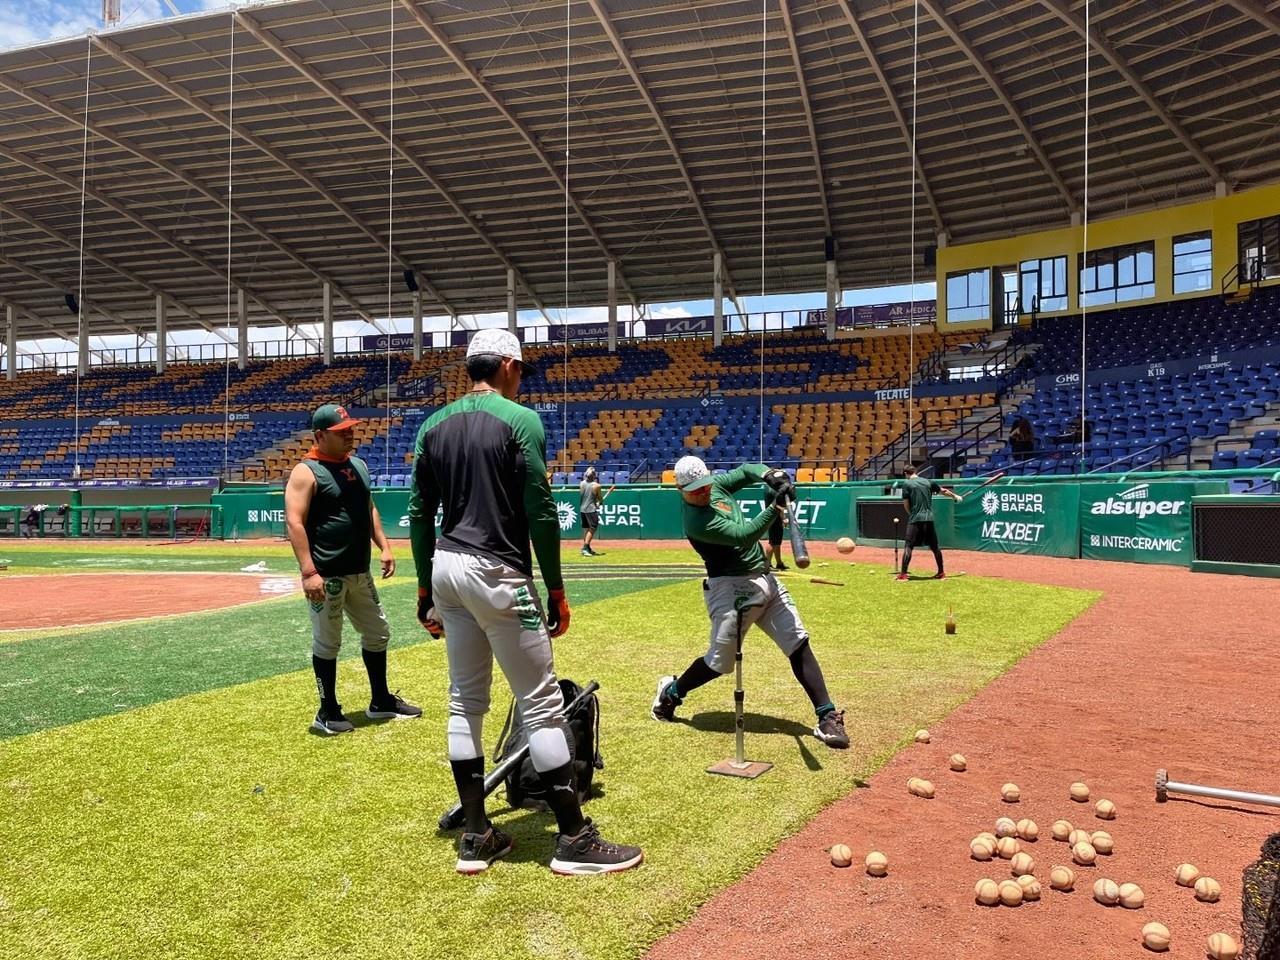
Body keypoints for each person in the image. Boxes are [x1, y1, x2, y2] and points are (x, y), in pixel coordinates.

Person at [410, 328, 641, 877]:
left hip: (446, 567)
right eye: (522, 370)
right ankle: (574, 840)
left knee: (464, 701)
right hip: (499, 570)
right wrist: (556, 587)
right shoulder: (522, 420)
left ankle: (477, 836)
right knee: (540, 704)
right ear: (509, 366)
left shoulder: (431, 425)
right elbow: (539, 509)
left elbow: (420, 514)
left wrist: (425, 590)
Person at [650, 456, 850, 750]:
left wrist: (771, 475)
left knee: (797, 642)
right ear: (680, 489)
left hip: (765, 578)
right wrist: (777, 507)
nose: (702, 492)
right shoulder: (697, 521)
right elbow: (744, 537)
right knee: (720, 663)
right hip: (729, 589)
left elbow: (745, 470)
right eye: (694, 489)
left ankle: (826, 715)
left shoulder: (715, 485)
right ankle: (671, 692)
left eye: (704, 485)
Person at [284, 403, 421, 736]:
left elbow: (368, 507)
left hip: (359, 571)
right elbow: (294, 521)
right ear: (320, 435)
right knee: (328, 642)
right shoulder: (307, 471)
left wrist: (385, 547)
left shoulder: (357, 465)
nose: (350, 436)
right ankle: (327, 711)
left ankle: (381, 701)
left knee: (378, 632)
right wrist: (308, 572)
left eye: (351, 430)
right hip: (326, 575)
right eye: (341, 432)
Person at [896, 464, 964, 581]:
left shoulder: (907, 484)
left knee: (909, 546)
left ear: (906, 473)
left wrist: (911, 514)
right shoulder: (928, 482)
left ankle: (903, 574)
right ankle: (941, 573)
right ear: (915, 471)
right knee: (935, 547)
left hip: (915, 518)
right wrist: (955, 496)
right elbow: (943, 491)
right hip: (929, 518)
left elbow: (906, 504)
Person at [579, 467, 603, 556]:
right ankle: (585, 548)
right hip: (590, 509)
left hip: (582, 509)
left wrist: (595, 501)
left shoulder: (581, 484)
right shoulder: (597, 486)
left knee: (586, 529)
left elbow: (585, 496)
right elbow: (599, 498)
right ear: (594, 475)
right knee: (593, 528)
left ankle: (587, 548)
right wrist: (599, 502)